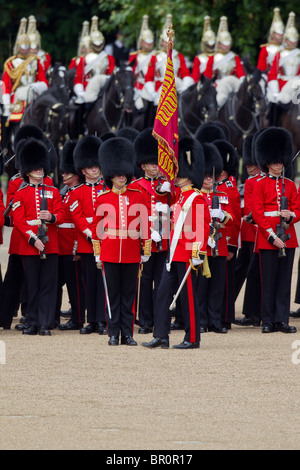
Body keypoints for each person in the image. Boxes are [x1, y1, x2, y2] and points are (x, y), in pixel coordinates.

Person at [142, 137, 211, 349]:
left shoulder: (196, 198)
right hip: (173, 255)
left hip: (188, 255)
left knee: (188, 299)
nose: (175, 178)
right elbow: (162, 197)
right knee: (162, 293)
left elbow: (202, 228)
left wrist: (197, 253)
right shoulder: (180, 196)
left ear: (187, 177)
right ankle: (161, 335)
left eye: (178, 175)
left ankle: (192, 338)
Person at [91, 137, 151, 346]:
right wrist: (97, 252)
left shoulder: (138, 196)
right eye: (117, 174)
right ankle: (113, 333)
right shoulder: (103, 198)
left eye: (123, 174)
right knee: (112, 296)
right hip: (109, 251)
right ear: (110, 176)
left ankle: (128, 334)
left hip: (132, 252)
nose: (121, 177)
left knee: (129, 296)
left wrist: (146, 248)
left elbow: (144, 224)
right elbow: (96, 229)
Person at [0, 125, 55, 331]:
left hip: (43, 236)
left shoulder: (48, 182)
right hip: (21, 237)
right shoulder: (16, 182)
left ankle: (32, 315)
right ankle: (5, 316)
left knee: (37, 279)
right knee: (15, 277)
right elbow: (14, 211)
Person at [11, 137, 64, 335]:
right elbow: (19, 220)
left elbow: (61, 215)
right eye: (35, 169)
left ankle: (44, 323)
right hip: (29, 245)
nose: (39, 171)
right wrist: (33, 239)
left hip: (50, 245)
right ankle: (32, 321)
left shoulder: (53, 191)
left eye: (41, 168)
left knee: (48, 286)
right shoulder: (21, 194)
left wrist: (51, 217)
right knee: (31, 286)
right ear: (28, 171)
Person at [251, 127, 299, 334]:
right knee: (268, 281)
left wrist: (291, 215)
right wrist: (271, 237)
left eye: (281, 161)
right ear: (267, 162)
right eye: (275, 161)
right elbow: (258, 213)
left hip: (288, 236)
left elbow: (297, 208)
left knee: (284, 280)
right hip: (267, 237)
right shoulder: (259, 185)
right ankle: (268, 320)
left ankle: (282, 319)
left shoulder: (290, 185)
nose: (278, 165)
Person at [130, 128, 168, 334]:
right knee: (145, 282)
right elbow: (134, 215)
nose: (156, 166)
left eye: (157, 162)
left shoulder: (168, 186)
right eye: (153, 163)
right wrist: (147, 231)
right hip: (145, 241)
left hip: (165, 239)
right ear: (144, 165)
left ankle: (161, 319)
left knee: (162, 282)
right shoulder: (136, 186)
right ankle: (145, 320)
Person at [67, 135, 107, 334]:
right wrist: (91, 235)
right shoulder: (76, 192)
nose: (94, 169)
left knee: (103, 281)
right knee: (89, 281)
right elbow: (78, 217)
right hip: (87, 242)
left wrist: (101, 234)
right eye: (90, 167)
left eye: (96, 166)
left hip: (106, 241)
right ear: (83, 170)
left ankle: (101, 319)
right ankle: (91, 320)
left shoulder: (107, 189)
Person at [197, 142, 233, 333]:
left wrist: (222, 216)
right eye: (205, 176)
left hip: (219, 244)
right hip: (203, 245)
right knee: (202, 286)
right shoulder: (196, 195)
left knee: (218, 286)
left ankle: (215, 320)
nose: (209, 180)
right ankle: (202, 320)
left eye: (211, 176)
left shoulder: (222, 194)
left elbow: (231, 218)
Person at [56, 140, 86, 331]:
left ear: (76, 175)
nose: (63, 175)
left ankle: (77, 318)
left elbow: (78, 224)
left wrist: (76, 247)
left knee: (75, 286)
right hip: (60, 246)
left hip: (71, 246)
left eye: (67, 172)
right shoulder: (66, 192)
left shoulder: (77, 193)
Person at [234, 133, 263, 326]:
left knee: (254, 274)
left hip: (259, 234)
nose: (249, 167)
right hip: (248, 233)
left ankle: (253, 313)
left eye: (252, 163)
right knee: (240, 271)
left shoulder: (259, 181)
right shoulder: (251, 182)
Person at [1, 17, 48, 135]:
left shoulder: (36, 62)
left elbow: (44, 82)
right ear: (18, 46)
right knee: (8, 120)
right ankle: (5, 147)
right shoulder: (11, 63)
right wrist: (6, 104)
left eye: (28, 47)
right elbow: (7, 84)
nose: (26, 50)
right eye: (23, 47)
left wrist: (36, 86)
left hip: (33, 96)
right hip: (17, 99)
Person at [213, 139, 241, 328]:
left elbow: (234, 221)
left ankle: (225, 318)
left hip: (225, 242)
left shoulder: (229, 189)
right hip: (213, 241)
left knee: (224, 283)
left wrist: (231, 246)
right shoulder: (215, 186)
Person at [143, 14, 194, 106]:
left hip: (178, 86)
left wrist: (186, 87)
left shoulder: (178, 56)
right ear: (162, 42)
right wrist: (152, 93)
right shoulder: (155, 57)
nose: (169, 45)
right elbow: (149, 77)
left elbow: (185, 73)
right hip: (161, 88)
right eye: (167, 42)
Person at [203, 16, 246, 108]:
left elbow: (240, 73)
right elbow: (208, 75)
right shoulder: (212, 58)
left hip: (232, 85)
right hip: (217, 85)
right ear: (219, 44)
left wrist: (242, 81)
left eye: (228, 44)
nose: (227, 46)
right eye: (224, 44)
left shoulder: (235, 57)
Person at [73, 15, 115, 104]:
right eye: (95, 43)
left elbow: (112, 75)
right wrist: (80, 92)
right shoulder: (84, 59)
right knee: (79, 106)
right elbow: (79, 78)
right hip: (88, 90)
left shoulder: (109, 58)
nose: (98, 46)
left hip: (105, 88)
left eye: (100, 43)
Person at [267, 12, 300, 107]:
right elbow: (272, 74)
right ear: (286, 40)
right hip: (282, 85)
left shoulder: (298, 53)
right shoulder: (279, 54)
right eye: (291, 40)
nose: (293, 43)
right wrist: (275, 91)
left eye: (295, 40)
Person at [127, 15, 155, 111]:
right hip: (139, 88)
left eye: (151, 42)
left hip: (153, 87)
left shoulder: (156, 55)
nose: (150, 44)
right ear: (142, 42)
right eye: (147, 42)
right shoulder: (135, 56)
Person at [257, 7, 284, 73]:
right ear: (272, 35)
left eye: (282, 34)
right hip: (269, 77)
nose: (281, 36)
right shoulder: (265, 48)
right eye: (278, 34)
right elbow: (261, 68)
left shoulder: (285, 48)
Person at [192, 16, 216, 83]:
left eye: (213, 42)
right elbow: (195, 77)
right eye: (209, 42)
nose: (211, 45)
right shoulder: (198, 58)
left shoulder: (218, 56)